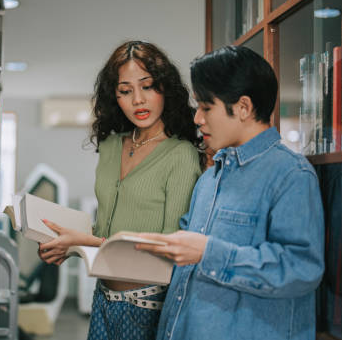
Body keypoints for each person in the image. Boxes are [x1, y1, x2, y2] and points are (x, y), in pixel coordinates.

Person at [136, 45, 325, 340]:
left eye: (206, 107)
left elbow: (301, 269)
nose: (197, 118)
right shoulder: (209, 179)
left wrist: (208, 252)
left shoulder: (291, 175)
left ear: (243, 108)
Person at [37, 40, 203, 340]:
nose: (138, 100)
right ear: (114, 96)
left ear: (165, 88)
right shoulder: (111, 146)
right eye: (125, 91)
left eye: (148, 86)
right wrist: (67, 244)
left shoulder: (181, 154)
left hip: (148, 307)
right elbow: (106, 229)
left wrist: (81, 242)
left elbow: (167, 249)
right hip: (103, 298)